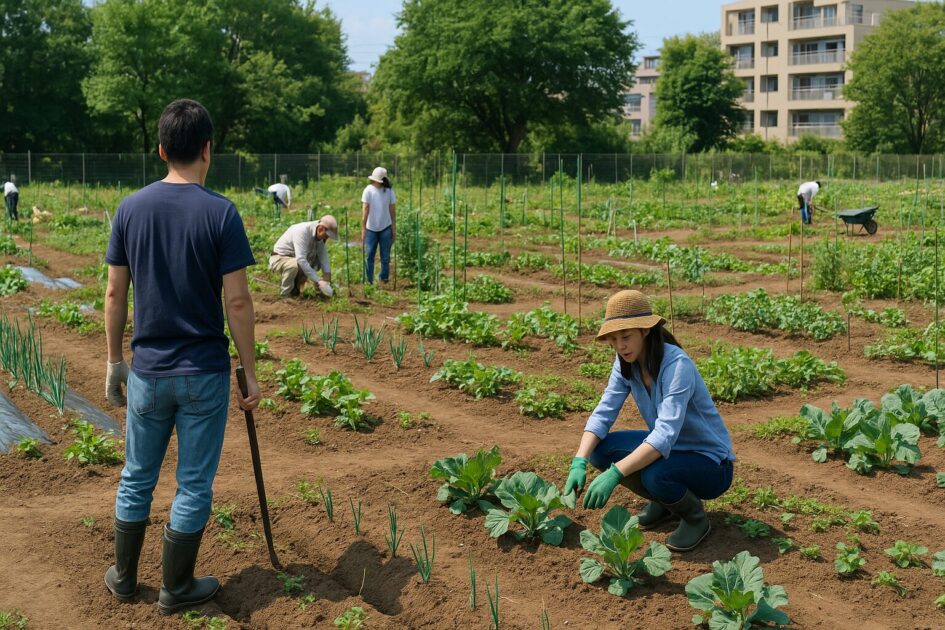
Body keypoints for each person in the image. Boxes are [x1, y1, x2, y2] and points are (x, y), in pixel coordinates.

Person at [102, 99, 260, 614]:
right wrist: (250, 374)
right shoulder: (221, 212)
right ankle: (177, 588)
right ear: (208, 151)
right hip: (204, 374)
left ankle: (124, 579)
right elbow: (236, 300)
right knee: (192, 483)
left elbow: (113, 295)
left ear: (162, 149)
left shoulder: (130, 209)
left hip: (147, 370)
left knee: (137, 475)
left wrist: (112, 362)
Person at [563, 290, 736, 552]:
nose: (620, 346)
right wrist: (579, 460)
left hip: (711, 463)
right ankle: (665, 503)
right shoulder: (625, 363)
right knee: (600, 450)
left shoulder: (677, 366)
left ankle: (695, 518)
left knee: (656, 474)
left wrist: (615, 473)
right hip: (671, 450)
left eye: (626, 336)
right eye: (614, 339)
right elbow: (603, 412)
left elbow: (664, 434)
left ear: (645, 330)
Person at [269, 216, 338, 298]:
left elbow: (323, 257)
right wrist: (318, 280)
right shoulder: (302, 231)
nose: (326, 238)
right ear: (320, 229)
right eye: (326, 236)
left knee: (312, 262)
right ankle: (285, 295)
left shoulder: (318, 235)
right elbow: (301, 259)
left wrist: (327, 275)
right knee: (294, 265)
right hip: (279, 258)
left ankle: (296, 290)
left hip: (295, 259)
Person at [361, 166, 396, 284]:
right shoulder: (368, 190)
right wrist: (363, 228)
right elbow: (365, 210)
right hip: (371, 228)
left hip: (385, 227)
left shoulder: (389, 191)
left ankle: (382, 278)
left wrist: (393, 228)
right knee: (373, 256)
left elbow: (392, 211)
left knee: (382, 256)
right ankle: (370, 279)